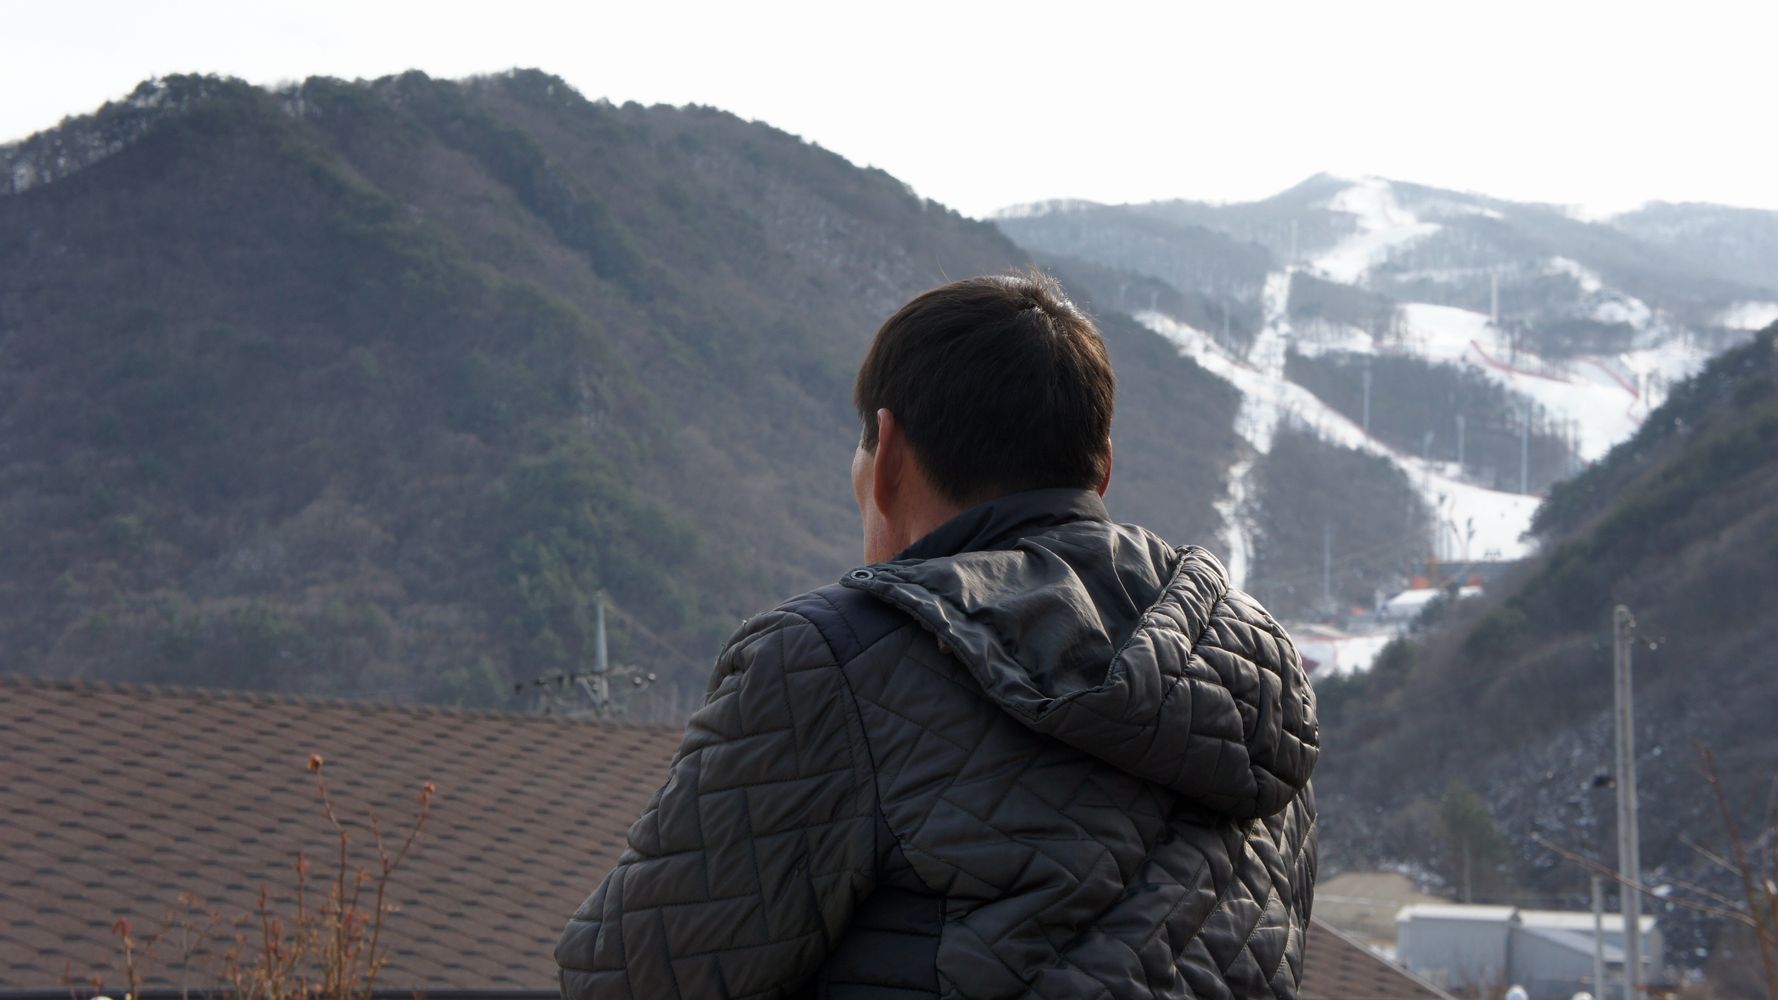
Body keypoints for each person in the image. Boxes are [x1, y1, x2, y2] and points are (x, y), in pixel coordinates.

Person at [556, 272, 1319, 999]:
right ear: (1103, 472)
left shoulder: (833, 665)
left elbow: (634, 978)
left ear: (886, 455)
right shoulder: (1249, 683)